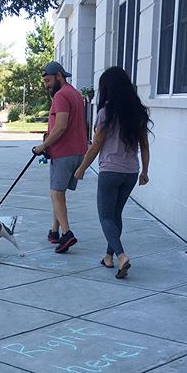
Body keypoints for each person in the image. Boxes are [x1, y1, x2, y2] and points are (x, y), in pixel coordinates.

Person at [74, 66, 150, 279]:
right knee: (116, 215)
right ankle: (108, 257)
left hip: (110, 171)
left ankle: (121, 255)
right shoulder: (138, 112)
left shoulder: (105, 113)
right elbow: (144, 145)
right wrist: (145, 171)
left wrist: (81, 169)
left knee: (106, 217)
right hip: (131, 172)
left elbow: (96, 144)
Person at [32, 61, 88, 253]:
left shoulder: (61, 95)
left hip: (64, 152)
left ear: (59, 76)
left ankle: (67, 234)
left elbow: (61, 126)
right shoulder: (75, 93)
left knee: (56, 194)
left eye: (48, 80)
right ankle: (54, 231)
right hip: (78, 151)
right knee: (58, 194)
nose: (46, 85)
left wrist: (43, 146)